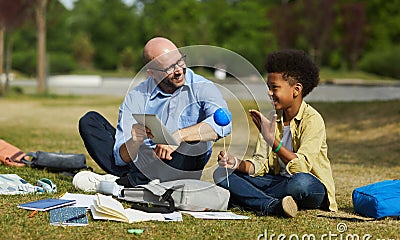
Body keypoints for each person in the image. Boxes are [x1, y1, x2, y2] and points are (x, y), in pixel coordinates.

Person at [75, 37, 232, 192]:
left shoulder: (203, 87)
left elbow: (223, 124)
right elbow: (120, 158)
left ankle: (125, 182)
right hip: (142, 159)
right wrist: (135, 142)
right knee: (90, 120)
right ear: (151, 73)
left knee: (196, 142)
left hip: (179, 162)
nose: (178, 71)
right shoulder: (136, 97)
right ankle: (139, 181)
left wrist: (178, 137)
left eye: (180, 61)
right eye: (169, 68)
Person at [214, 49, 337, 218]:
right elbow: (260, 164)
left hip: (310, 188)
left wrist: (273, 141)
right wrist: (235, 163)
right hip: (278, 183)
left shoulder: (312, 120)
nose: (269, 93)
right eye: (268, 87)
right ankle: (273, 206)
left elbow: (301, 168)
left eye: (275, 88)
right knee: (221, 174)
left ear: (296, 89)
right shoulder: (273, 119)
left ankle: (248, 198)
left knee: (300, 184)